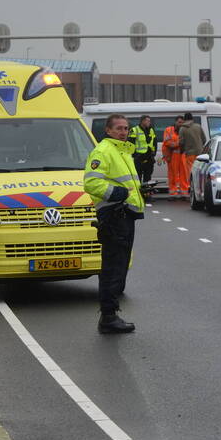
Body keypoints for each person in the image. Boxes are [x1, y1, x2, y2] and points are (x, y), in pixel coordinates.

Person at [84, 114, 145, 334]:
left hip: (125, 214)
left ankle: (110, 315)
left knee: (119, 266)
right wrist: (118, 193)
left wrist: (140, 191)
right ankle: (108, 317)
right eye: (118, 128)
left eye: (126, 128)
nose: (123, 132)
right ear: (108, 130)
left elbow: (125, 183)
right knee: (112, 267)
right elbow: (91, 182)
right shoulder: (103, 151)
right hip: (114, 215)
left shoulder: (122, 151)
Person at [177, 111, 203, 194]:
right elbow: (204, 139)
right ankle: (200, 190)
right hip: (200, 154)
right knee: (200, 172)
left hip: (189, 154)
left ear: (184, 119)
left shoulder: (182, 128)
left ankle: (193, 191)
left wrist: (182, 151)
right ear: (192, 118)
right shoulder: (198, 127)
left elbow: (181, 142)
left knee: (191, 173)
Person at [130, 115, 157, 190]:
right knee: (138, 177)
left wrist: (153, 153)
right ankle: (139, 194)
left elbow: (154, 141)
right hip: (139, 157)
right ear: (142, 121)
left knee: (148, 177)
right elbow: (130, 143)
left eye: (149, 121)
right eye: (147, 121)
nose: (149, 122)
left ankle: (147, 195)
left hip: (149, 157)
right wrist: (135, 154)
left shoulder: (151, 130)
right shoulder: (134, 130)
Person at [162, 116, 184, 197]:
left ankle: (183, 193)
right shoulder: (169, 130)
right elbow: (167, 142)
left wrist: (176, 144)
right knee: (172, 176)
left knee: (183, 176)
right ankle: (173, 193)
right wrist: (178, 144)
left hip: (182, 156)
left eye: (182, 122)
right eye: (179, 122)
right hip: (172, 156)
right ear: (175, 122)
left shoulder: (184, 130)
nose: (180, 124)